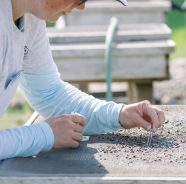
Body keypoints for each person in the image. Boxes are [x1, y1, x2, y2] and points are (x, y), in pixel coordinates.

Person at [0, 0, 165, 160]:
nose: (81, 7)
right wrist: (44, 135)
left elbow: (50, 95)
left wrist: (118, 114)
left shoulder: (32, 20)